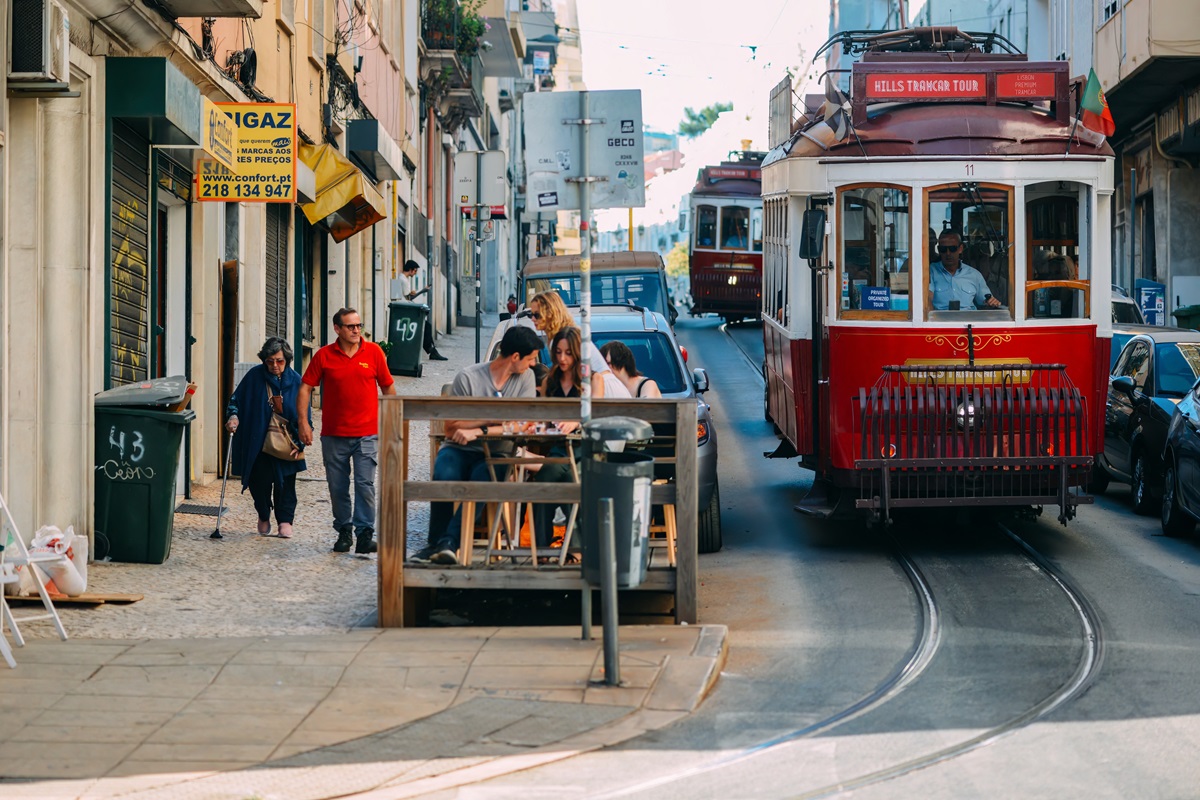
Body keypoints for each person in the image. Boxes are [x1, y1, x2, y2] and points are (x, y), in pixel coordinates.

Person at [410, 325, 542, 565]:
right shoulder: (468, 377)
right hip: (459, 449)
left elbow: (523, 424)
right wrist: (494, 417)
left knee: (482, 480)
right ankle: (436, 545)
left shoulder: (526, 378)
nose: (532, 364)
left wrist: (477, 429)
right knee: (443, 473)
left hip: (499, 453)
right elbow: (451, 428)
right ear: (515, 357)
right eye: (531, 359)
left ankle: (448, 543)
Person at [298, 307, 397, 555]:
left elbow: (388, 388)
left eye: (358, 325)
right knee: (338, 486)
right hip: (334, 435)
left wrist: (391, 424)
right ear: (337, 329)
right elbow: (305, 388)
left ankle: (365, 534)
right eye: (350, 326)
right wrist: (303, 423)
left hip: (367, 434)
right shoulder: (323, 356)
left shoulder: (373, 352)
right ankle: (344, 530)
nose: (356, 330)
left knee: (365, 484)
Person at [225, 338, 309, 539]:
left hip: (287, 441)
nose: (274, 366)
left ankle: (285, 521)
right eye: (270, 361)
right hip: (259, 442)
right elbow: (235, 400)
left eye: (279, 361)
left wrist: (300, 442)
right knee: (259, 483)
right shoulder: (254, 376)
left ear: (287, 360)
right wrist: (233, 416)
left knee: (286, 483)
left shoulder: (296, 381)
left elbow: (305, 415)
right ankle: (263, 513)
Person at [532, 328, 586, 547]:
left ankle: (571, 549)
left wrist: (576, 422)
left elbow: (599, 414)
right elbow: (543, 418)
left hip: (586, 449)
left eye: (568, 353)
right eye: (559, 352)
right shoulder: (550, 380)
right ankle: (546, 548)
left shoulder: (591, 380)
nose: (562, 358)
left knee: (568, 483)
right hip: (559, 449)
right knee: (546, 484)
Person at [529, 290, 631, 398]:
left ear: (550, 313)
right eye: (531, 314)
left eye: (537, 315)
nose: (533, 319)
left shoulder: (561, 339)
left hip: (601, 389)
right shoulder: (568, 334)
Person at [929, 230, 1003, 311]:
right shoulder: (930, 272)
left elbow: (986, 300)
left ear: (960, 249)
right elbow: (927, 300)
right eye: (943, 249)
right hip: (939, 321)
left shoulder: (974, 275)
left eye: (952, 248)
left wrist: (991, 302)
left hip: (969, 321)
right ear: (938, 250)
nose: (948, 253)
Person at [400, 260, 448, 361]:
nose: (415, 273)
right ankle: (431, 351)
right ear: (411, 270)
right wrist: (423, 290)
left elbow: (407, 296)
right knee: (426, 326)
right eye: (415, 270)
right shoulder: (403, 280)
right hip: (406, 311)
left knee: (426, 326)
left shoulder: (403, 279)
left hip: (405, 309)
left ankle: (432, 350)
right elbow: (409, 298)